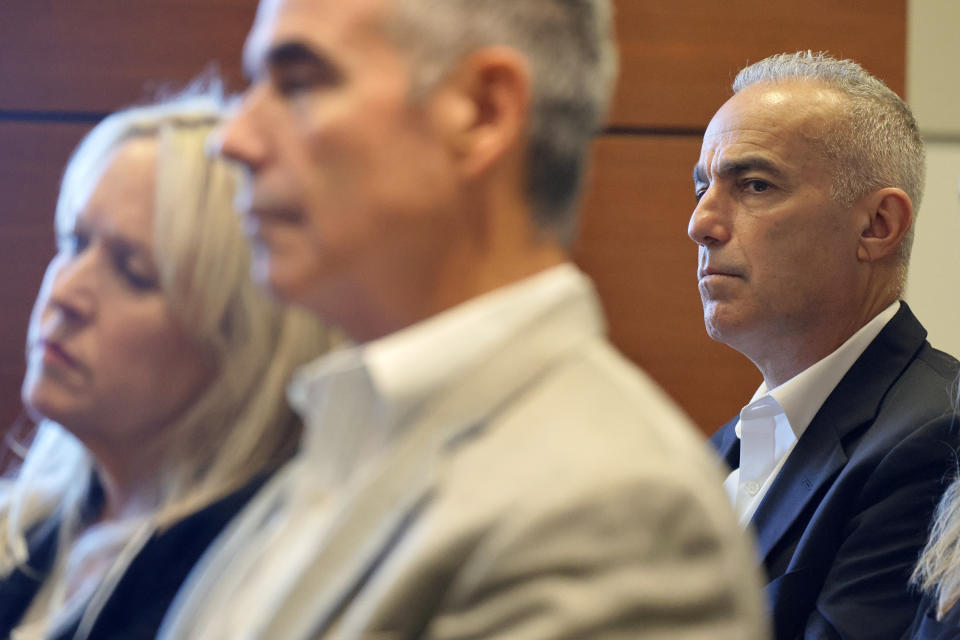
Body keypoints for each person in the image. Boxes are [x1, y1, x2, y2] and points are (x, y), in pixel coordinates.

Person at [159, 0, 770, 638]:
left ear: (482, 112)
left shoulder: (611, 511)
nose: (232, 138)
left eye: (301, 83)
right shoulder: (345, 427)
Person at [0, 89, 331, 639]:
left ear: (239, 346)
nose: (67, 294)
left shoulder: (251, 588)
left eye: (132, 273)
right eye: (74, 243)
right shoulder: (26, 525)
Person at [690, 50, 960, 639]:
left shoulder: (941, 436)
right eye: (703, 185)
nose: (702, 222)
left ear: (876, 226)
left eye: (754, 184)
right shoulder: (713, 453)